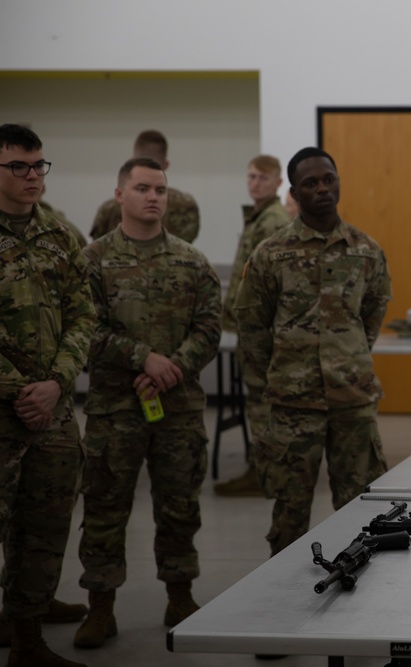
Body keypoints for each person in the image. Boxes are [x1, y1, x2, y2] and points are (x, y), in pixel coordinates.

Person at [73, 157, 221, 648]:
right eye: (142, 188)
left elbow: (209, 327)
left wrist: (172, 367)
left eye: (160, 188)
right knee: (104, 508)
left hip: (176, 410)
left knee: (179, 507)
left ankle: (180, 596)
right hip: (115, 409)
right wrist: (143, 359)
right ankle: (101, 607)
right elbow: (85, 329)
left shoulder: (191, 260)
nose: (154, 197)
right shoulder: (92, 261)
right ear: (119, 195)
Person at [235, 146, 391, 557]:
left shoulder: (365, 250)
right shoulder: (271, 253)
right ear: (295, 191)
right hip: (293, 403)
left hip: (352, 399)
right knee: (290, 510)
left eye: (329, 179)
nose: (322, 189)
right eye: (310, 183)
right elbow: (252, 323)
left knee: (362, 505)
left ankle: (361, 592)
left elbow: (372, 312)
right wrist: (282, 370)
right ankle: (282, 602)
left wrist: (349, 355)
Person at [0, 123, 95, 667]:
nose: (33, 176)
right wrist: (20, 391)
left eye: (39, 166)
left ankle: (27, 641)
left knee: (44, 530)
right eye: (19, 166)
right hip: (5, 411)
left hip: (53, 415)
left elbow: (83, 313)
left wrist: (56, 382)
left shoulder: (61, 235)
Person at [214, 154, 292, 497]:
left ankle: (265, 475)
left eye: (262, 177)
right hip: (251, 329)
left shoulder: (271, 221)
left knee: (263, 406)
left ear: (277, 183)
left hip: (264, 333)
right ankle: (264, 471)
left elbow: (271, 284)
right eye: (250, 176)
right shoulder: (258, 217)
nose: (254, 182)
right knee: (258, 403)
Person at [89, 130, 199, 243]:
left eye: (160, 191)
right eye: (142, 189)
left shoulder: (109, 209)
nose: (152, 198)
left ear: (132, 161)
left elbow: (99, 246)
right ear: (166, 165)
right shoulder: (186, 204)